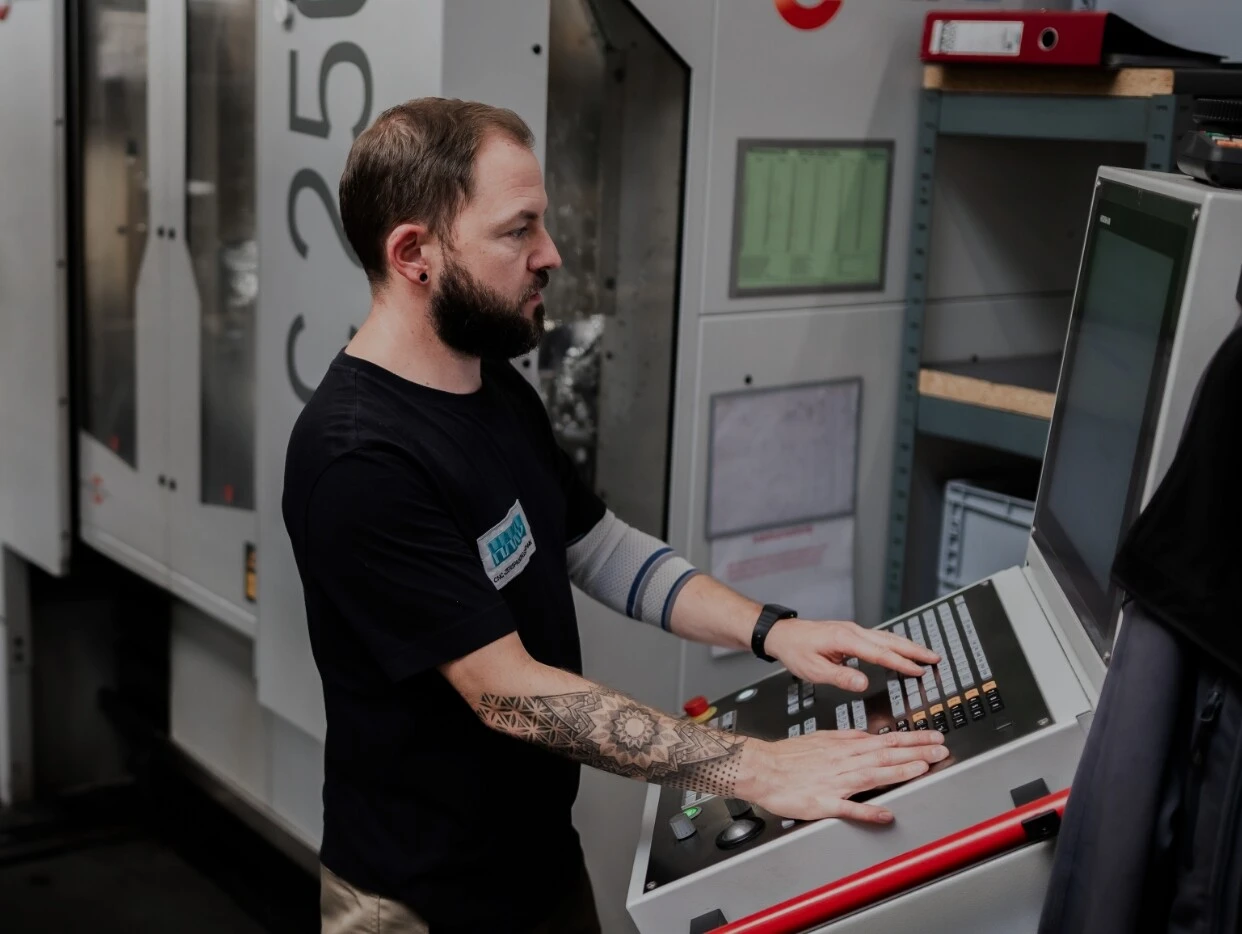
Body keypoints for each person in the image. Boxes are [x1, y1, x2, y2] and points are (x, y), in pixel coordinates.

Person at [281, 97, 947, 934]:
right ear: (414, 253)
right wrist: (753, 769)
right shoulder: (360, 460)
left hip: (537, 862)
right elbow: (507, 694)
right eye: (517, 230)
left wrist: (773, 630)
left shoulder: (490, 384)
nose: (550, 255)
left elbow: (595, 545)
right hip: (424, 898)